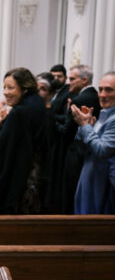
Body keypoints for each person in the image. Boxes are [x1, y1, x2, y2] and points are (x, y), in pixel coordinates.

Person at [0, 67, 49, 214]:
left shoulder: (19, 112)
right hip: (36, 178)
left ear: (24, 89)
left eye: (11, 88)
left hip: (19, 187)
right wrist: (1, 124)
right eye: (4, 87)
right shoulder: (37, 103)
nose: (5, 92)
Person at [47, 64, 100, 212]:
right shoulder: (95, 96)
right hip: (88, 152)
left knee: (70, 194)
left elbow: (66, 132)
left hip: (74, 152)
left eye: (72, 79)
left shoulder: (79, 100)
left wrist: (51, 119)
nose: (68, 82)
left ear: (84, 80)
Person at [72, 72, 115, 214]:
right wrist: (84, 127)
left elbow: (102, 151)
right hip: (90, 179)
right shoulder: (103, 115)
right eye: (100, 89)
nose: (102, 95)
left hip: (103, 186)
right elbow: (83, 151)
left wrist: (85, 126)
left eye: (109, 90)